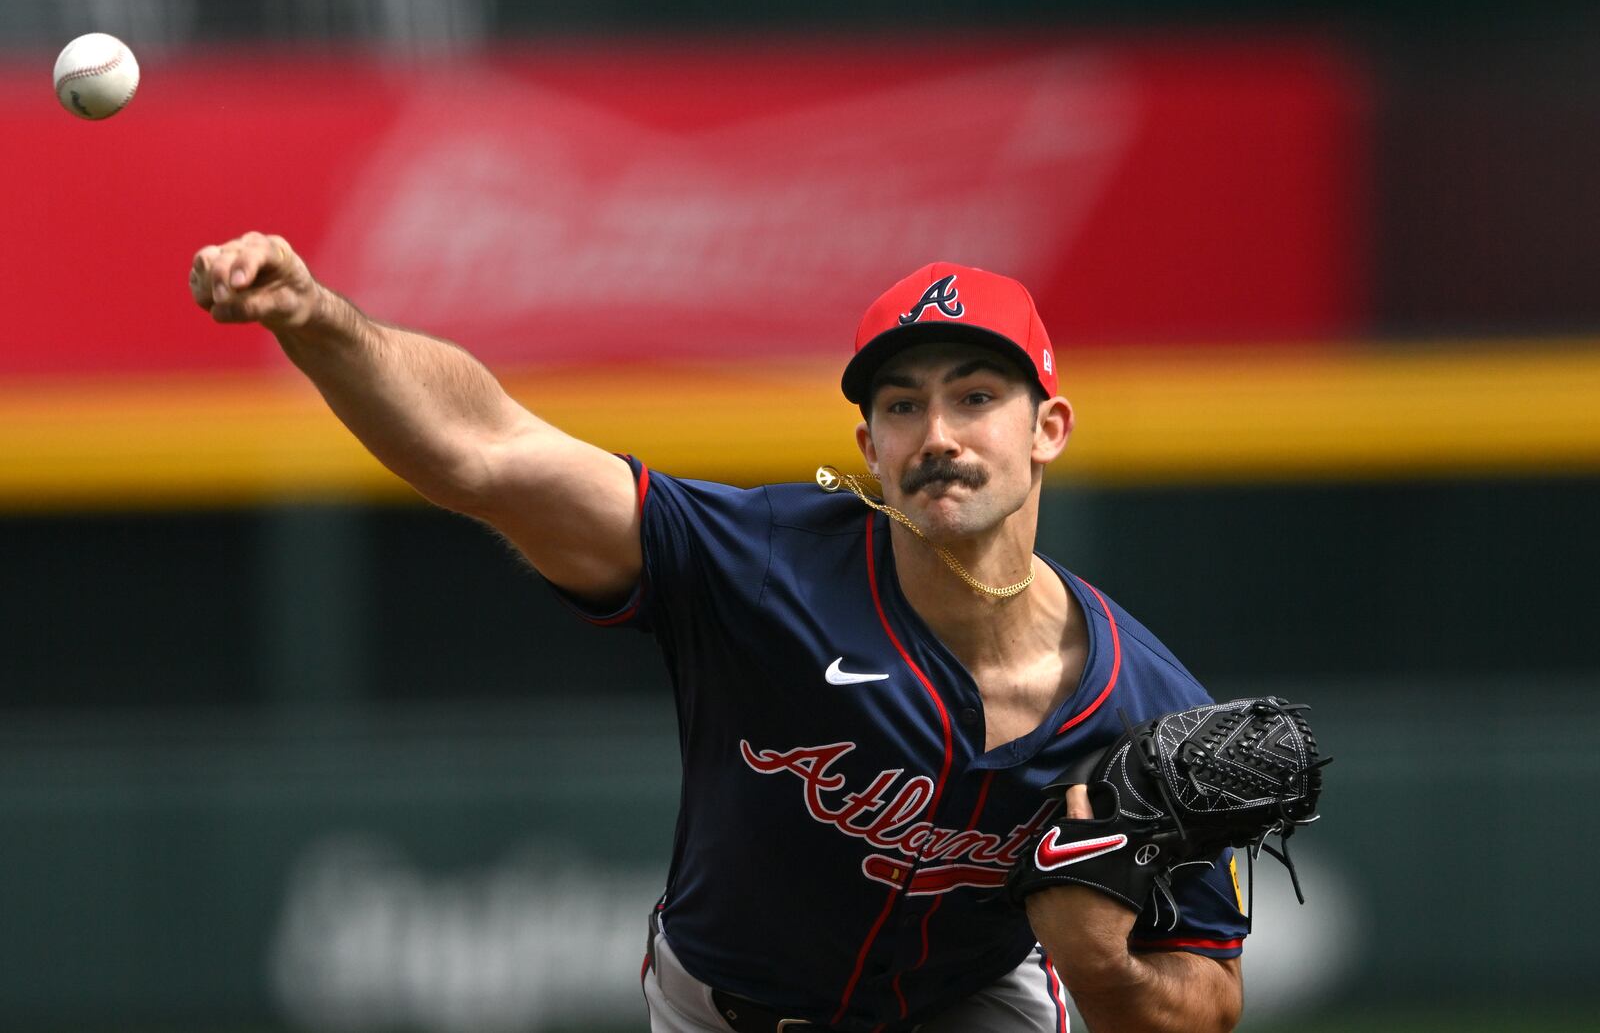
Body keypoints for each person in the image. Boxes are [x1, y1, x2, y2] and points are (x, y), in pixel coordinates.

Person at [190, 233, 1248, 1032]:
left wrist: (1105, 969)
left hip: (971, 1006)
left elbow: (1207, 997)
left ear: (1046, 428)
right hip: (723, 1010)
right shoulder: (763, 565)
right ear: (866, 446)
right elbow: (487, 453)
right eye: (901, 406)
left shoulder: (1147, 710)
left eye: (977, 396)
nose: (938, 437)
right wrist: (321, 319)